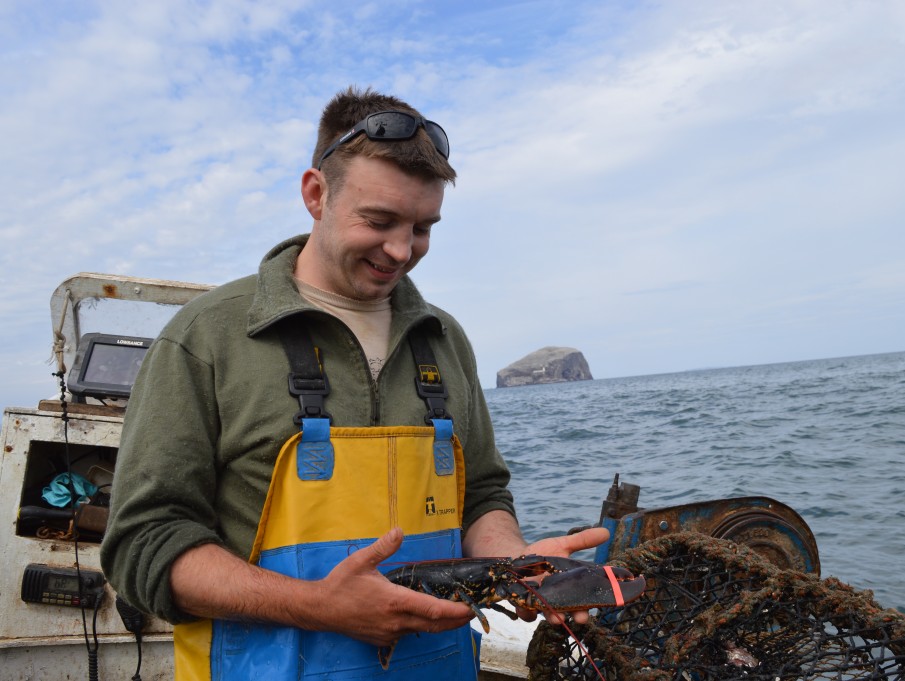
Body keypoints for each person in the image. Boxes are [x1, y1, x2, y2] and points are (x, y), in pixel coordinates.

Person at [100, 86, 609, 680]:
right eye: (380, 220)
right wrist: (317, 608)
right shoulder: (206, 338)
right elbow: (144, 542)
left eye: (422, 226)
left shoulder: (443, 339)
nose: (401, 250)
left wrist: (515, 566)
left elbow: (482, 498)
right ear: (316, 194)